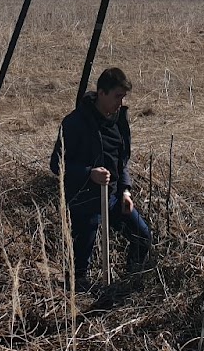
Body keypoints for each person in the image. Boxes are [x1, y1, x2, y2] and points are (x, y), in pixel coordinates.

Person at [50, 67, 152, 286]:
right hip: (85, 199)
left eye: (123, 98)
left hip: (114, 197)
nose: (120, 103)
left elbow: (121, 160)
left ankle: (130, 283)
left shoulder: (119, 121)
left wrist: (125, 190)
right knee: (79, 267)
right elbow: (56, 165)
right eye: (117, 97)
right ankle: (79, 296)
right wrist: (89, 173)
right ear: (102, 93)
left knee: (142, 236)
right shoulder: (75, 123)